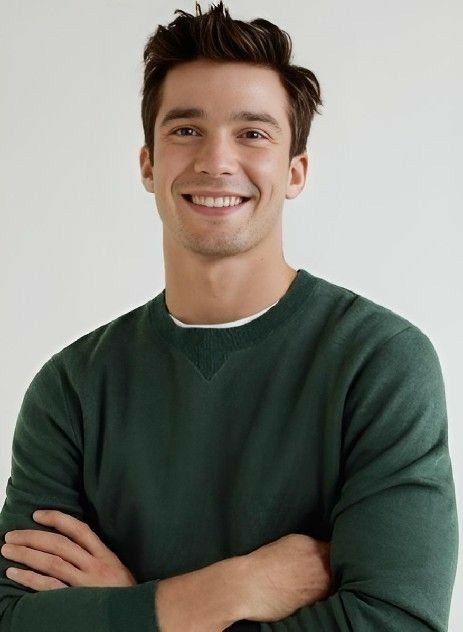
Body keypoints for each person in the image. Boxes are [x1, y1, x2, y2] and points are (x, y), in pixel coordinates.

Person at [0, 2, 458, 630]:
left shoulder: (379, 364)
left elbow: (397, 623)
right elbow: (15, 619)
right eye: (186, 130)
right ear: (148, 164)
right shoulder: (71, 390)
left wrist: (130, 608)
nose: (216, 160)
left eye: (253, 133)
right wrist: (232, 589)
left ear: (294, 171)